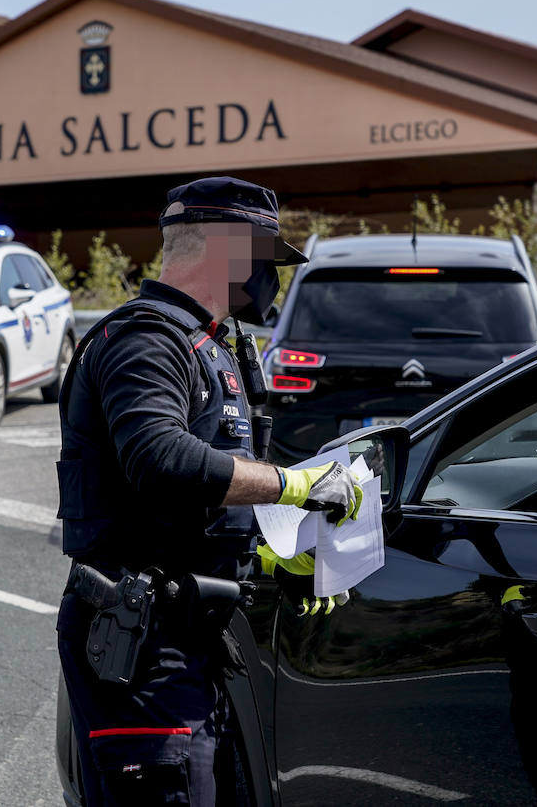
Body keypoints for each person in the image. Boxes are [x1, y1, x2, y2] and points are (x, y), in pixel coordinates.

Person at [55, 176, 363, 806]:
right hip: (142, 640)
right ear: (228, 250)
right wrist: (291, 486)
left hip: (192, 630)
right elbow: (160, 458)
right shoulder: (146, 341)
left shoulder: (208, 343)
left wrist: (270, 551)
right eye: (266, 259)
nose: (270, 279)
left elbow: (199, 495)